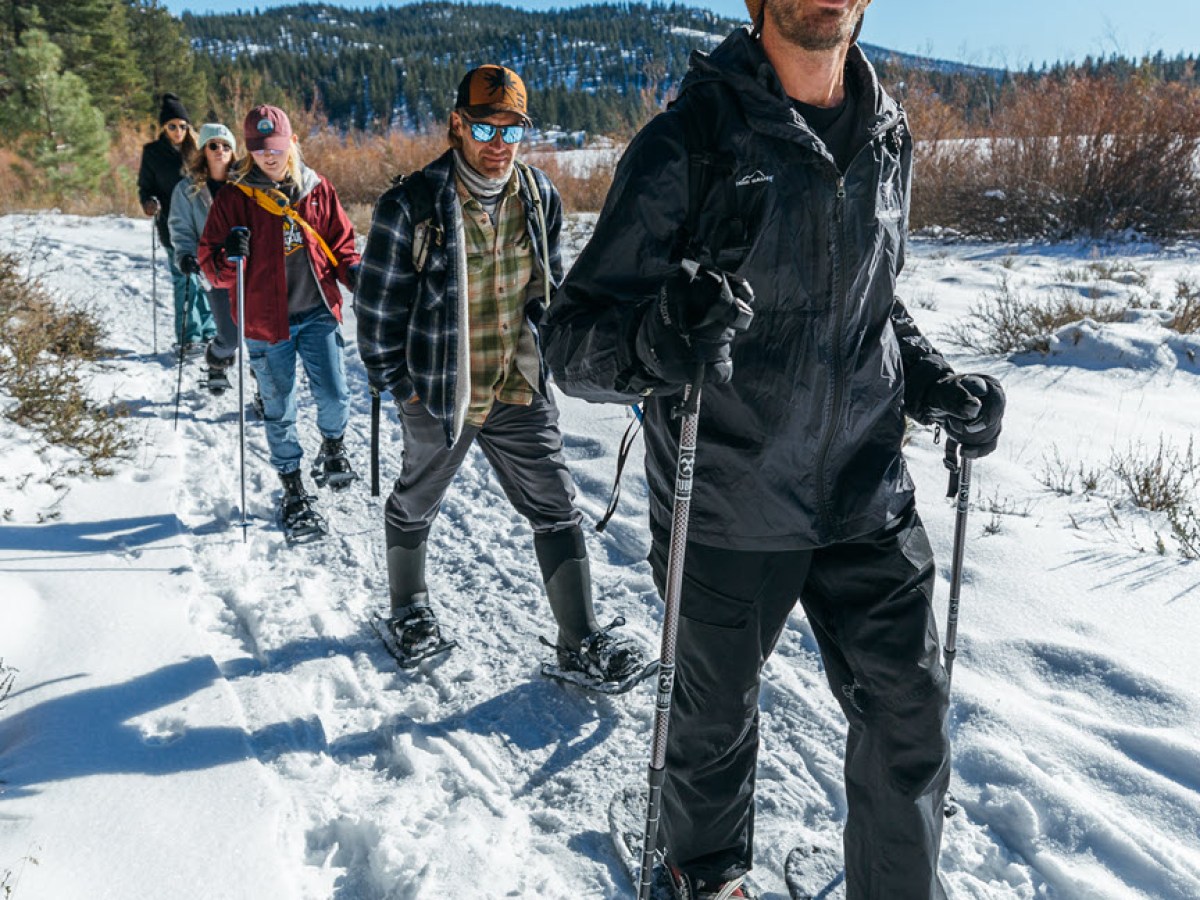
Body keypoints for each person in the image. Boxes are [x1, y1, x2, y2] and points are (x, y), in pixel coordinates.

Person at [543, 0, 1006, 897]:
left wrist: (935, 379)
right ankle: (704, 878)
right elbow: (572, 341)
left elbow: (869, 305)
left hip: (866, 493)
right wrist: (655, 341)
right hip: (727, 497)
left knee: (910, 717)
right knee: (711, 729)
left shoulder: (887, 133)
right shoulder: (690, 142)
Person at [354, 65, 647, 685]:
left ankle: (580, 640)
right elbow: (377, 310)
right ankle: (408, 608)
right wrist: (400, 387)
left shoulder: (539, 197)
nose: (497, 142)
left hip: (517, 386)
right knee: (418, 498)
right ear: (457, 124)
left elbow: (551, 294)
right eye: (484, 125)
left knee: (557, 505)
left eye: (511, 128)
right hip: (439, 393)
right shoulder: (410, 204)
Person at [198, 104, 361, 541]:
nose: (269, 157)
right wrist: (230, 254)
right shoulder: (234, 200)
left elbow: (341, 245)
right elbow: (210, 270)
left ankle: (333, 448)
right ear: (249, 151)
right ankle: (292, 489)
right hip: (266, 326)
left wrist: (356, 274)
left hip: (317, 314)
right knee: (279, 408)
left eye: (275, 147)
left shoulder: (317, 190)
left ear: (291, 142)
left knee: (333, 394)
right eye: (259, 149)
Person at [138, 92, 215, 351]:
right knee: (184, 280)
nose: (178, 131)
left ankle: (211, 332)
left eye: (183, 126)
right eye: (172, 126)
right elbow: (144, 187)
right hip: (172, 228)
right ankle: (188, 337)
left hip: (202, 225)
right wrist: (149, 202)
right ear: (164, 127)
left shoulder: (197, 150)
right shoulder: (152, 153)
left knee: (206, 280)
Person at [168, 122, 241, 394]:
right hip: (213, 269)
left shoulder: (245, 185)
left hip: (248, 267)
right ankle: (217, 359)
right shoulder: (187, 190)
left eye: (226, 145)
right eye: (213, 145)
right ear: (203, 151)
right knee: (231, 335)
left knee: (260, 337)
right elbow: (181, 228)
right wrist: (185, 255)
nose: (220, 150)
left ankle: (265, 390)